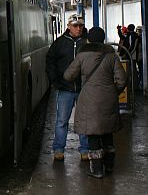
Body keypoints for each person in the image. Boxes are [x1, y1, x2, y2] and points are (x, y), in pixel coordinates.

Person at [64, 27, 127, 179]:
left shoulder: (82, 55)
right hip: (108, 99)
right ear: (103, 38)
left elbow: (68, 75)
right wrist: (113, 92)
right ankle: (110, 165)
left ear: (89, 39)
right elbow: (122, 80)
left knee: (92, 133)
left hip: (89, 100)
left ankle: (97, 169)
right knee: (107, 132)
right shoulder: (111, 55)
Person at [46, 14, 89, 161]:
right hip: (65, 88)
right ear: (69, 26)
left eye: (81, 26)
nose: (78, 28)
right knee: (62, 121)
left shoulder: (86, 42)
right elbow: (50, 61)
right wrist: (54, 81)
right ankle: (58, 149)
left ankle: (85, 150)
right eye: (75, 25)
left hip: (83, 89)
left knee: (84, 120)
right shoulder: (59, 43)